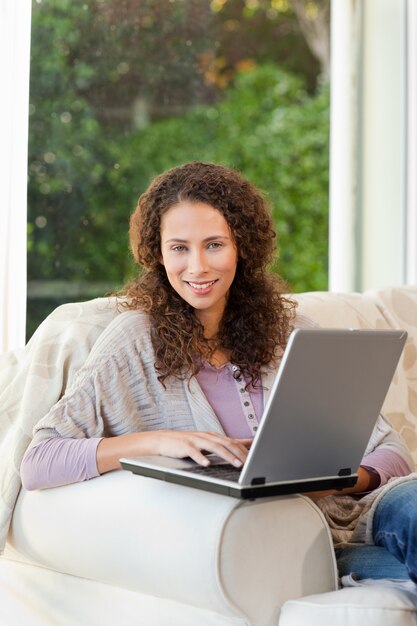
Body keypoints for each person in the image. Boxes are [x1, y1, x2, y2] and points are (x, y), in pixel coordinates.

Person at [20, 161, 417, 583]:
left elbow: (392, 453)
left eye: (214, 245)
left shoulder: (288, 331)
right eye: (179, 248)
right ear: (157, 252)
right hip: (294, 545)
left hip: (362, 516)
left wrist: (336, 481)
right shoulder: (134, 340)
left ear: (241, 246)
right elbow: (40, 461)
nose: (198, 268)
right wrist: (158, 442)